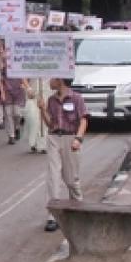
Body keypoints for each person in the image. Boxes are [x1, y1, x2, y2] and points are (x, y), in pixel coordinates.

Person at [38, 77, 89, 232]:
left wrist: (78, 138)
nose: (49, 81)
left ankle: (78, 208)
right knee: (53, 177)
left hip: (70, 138)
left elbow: (84, 119)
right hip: (54, 138)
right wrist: (42, 109)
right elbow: (50, 124)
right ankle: (53, 216)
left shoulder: (76, 98)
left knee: (71, 179)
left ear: (60, 80)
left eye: (52, 78)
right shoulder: (51, 100)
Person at [23, 78, 49, 154]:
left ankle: (42, 144)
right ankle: (33, 142)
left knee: (44, 120)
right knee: (33, 118)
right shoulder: (30, 66)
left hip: (47, 92)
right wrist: (28, 88)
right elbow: (23, 77)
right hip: (33, 94)